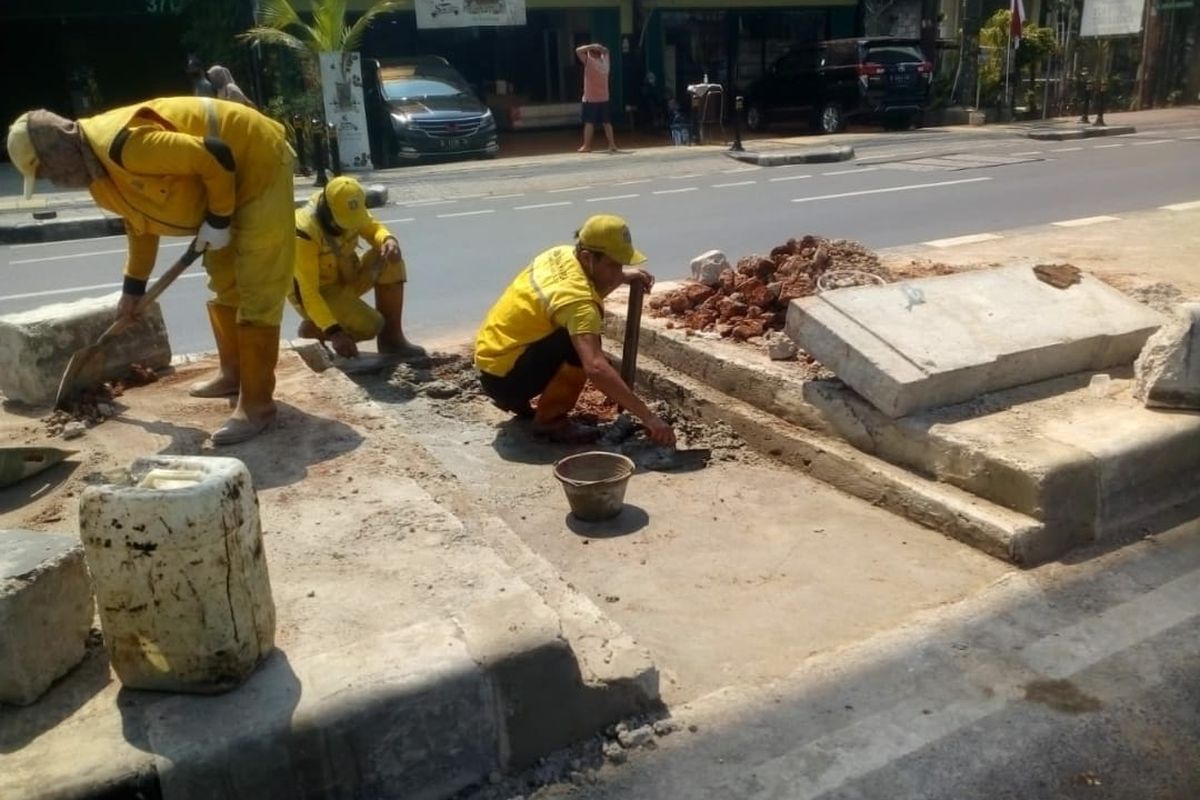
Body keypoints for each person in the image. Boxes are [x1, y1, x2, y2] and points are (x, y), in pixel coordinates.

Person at [6, 98, 296, 445]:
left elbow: (214, 154)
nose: (52, 180)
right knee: (224, 278)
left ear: (57, 151)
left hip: (257, 159)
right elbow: (139, 223)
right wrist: (133, 289)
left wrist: (219, 219)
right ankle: (234, 374)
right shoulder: (98, 177)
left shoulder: (125, 146)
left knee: (258, 284)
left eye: (46, 171)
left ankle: (258, 405)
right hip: (220, 181)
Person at [474, 214, 676, 446]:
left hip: (491, 365)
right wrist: (649, 418)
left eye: (621, 264)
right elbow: (596, 369)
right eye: (612, 264)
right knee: (583, 344)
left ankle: (517, 402)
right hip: (507, 383)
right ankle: (550, 422)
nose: (617, 271)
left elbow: (578, 287)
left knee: (566, 331)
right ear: (587, 257)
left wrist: (620, 276)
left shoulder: (558, 254)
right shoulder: (579, 304)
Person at [289, 176, 425, 360]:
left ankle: (391, 341)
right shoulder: (304, 231)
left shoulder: (350, 205)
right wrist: (335, 332)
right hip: (321, 293)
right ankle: (314, 330)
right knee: (371, 325)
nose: (350, 227)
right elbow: (308, 292)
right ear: (327, 210)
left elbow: (373, 229)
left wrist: (388, 240)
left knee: (389, 259)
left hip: (347, 275)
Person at [575, 43, 617, 154]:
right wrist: (601, 48)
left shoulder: (590, 62)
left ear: (591, 54)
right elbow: (607, 51)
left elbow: (578, 50)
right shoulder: (605, 63)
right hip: (604, 97)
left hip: (590, 98)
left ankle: (587, 145)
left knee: (589, 122)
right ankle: (612, 144)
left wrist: (591, 46)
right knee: (607, 122)